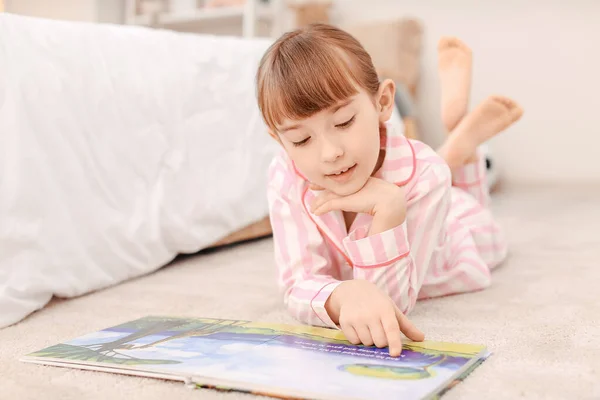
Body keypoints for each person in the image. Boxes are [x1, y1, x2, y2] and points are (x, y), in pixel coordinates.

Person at [255, 23, 523, 356]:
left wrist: (389, 211)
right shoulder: (285, 174)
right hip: (426, 179)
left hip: (451, 233)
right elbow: (297, 283)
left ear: (382, 102)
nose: (329, 153)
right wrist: (342, 296)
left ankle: (461, 146)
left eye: (343, 123)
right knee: (437, 171)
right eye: (300, 139)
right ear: (279, 140)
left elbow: (390, 307)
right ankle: (456, 143)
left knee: (481, 220)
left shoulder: (426, 176)